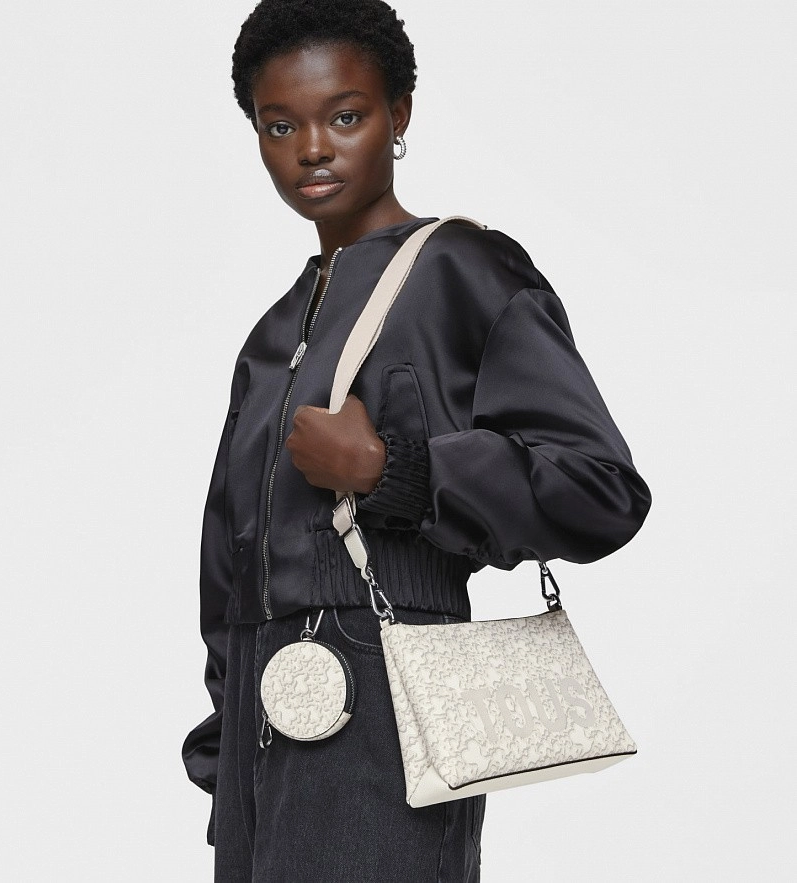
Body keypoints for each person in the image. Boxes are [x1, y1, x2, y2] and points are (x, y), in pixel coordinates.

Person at [182, 1, 652, 879]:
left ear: (398, 114)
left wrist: (390, 469)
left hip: (381, 706)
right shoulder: (272, 334)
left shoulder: (463, 271)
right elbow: (225, 560)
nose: (311, 148)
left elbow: (602, 490)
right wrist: (224, 746)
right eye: (279, 125)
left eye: (344, 116)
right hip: (257, 723)